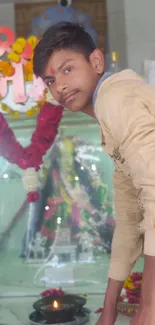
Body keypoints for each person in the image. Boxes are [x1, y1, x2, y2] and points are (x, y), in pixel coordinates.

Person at [33, 22, 155, 325]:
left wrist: (149, 308)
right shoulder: (109, 111)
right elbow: (129, 218)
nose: (59, 86)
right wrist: (109, 307)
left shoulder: (116, 100)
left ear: (96, 61)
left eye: (67, 69)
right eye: (50, 80)